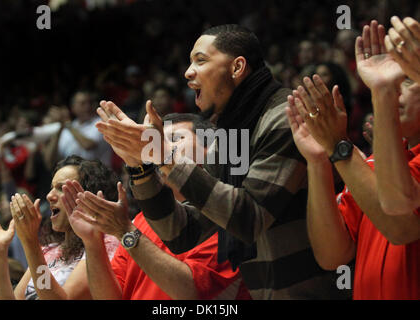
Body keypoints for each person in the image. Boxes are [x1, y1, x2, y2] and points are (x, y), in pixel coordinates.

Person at [95, 24, 347, 299]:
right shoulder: (230, 133)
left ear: (237, 67)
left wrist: (164, 155)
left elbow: (250, 218)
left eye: (200, 60)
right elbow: (181, 233)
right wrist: (139, 165)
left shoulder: (285, 117)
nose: (188, 72)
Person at [285, 20, 419, 299]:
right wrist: (319, 161)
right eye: (389, 82)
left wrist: (338, 147)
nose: (395, 89)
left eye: (405, 79)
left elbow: (401, 228)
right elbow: (332, 255)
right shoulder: (371, 165)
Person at [61, 113, 251, 300]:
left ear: (211, 152)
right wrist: (93, 242)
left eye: (174, 139)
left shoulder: (227, 213)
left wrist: (125, 231)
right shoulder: (144, 220)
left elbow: (190, 292)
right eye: (156, 143)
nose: (158, 149)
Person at [0, 155, 119, 299]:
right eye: (52, 188)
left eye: (61, 188)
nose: (50, 195)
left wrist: (31, 242)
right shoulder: (49, 250)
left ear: (89, 196)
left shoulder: (105, 244)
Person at [374, 16, 420, 216]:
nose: (397, 90)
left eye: (409, 80)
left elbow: (398, 203)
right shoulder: (376, 160)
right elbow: (331, 249)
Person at [48, 91, 112, 168]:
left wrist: (67, 124)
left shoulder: (101, 122)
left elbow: (88, 145)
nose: (87, 107)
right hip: (73, 176)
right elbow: (51, 161)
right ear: (73, 108)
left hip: (98, 176)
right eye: (83, 103)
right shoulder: (67, 129)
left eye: (90, 103)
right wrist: (58, 129)